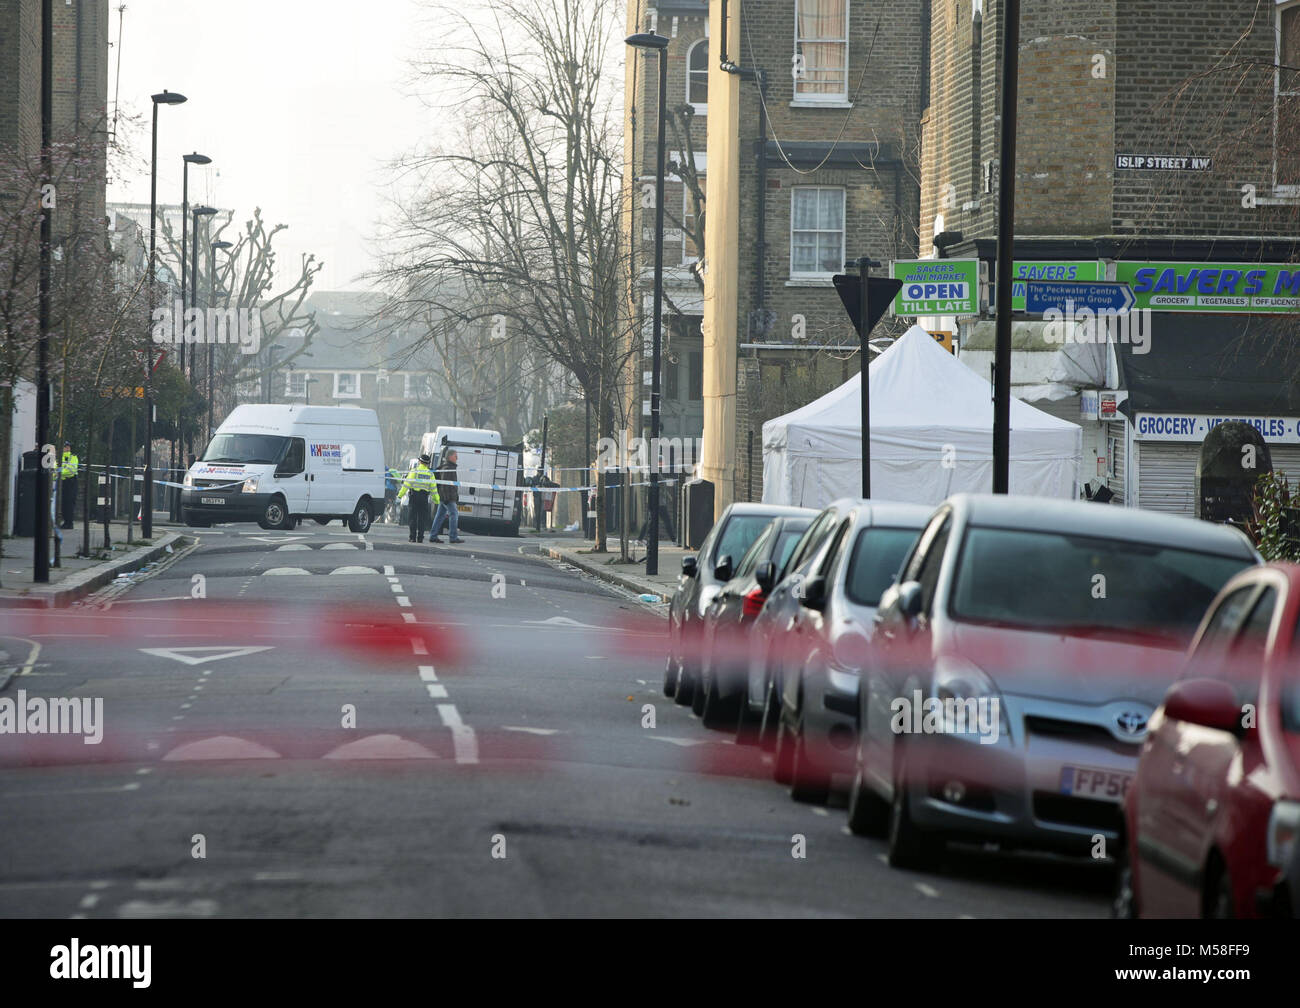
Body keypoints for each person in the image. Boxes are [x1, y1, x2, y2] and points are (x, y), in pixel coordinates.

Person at [430, 448, 464, 544]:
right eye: (455, 455)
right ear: (450, 457)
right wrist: (447, 498)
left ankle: (433, 535)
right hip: (448, 497)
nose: (457, 458)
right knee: (454, 514)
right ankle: (453, 537)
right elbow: (445, 485)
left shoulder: (449, 467)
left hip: (445, 497)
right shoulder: (447, 468)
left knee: (440, 515)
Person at [402, 453, 438, 543]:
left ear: (420, 461)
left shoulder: (414, 471)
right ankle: (420, 538)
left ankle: (412, 537)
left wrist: (400, 494)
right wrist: (436, 499)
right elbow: (433, 489)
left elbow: (407, 484)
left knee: (412, 518)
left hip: (414, 497)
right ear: (427, 463)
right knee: (422, 519)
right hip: (424, 498)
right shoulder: (430, 474)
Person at [59, 441, 79, 529]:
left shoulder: (73, 457)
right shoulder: (59, 458)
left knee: (70, 502)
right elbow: (55, 469)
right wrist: (60, 473)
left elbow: (72, 470)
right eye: (65, 447)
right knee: (63, 502)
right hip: (62, 482)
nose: (67, 448)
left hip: (71, 482)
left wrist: (61, 473)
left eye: (68, 447)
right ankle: (65, 522)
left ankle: (69, 522)